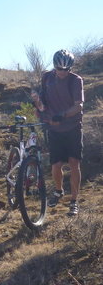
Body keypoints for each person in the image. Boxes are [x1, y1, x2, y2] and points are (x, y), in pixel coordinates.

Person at [31, 49, 84, 216]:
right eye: (60, 69)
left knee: (74, 163)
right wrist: (38, 103)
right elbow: (43, 100)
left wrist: (63, 115)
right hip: (53, 128)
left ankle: (74, 200)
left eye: (66, 69)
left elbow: (79, 105)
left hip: (72, 127)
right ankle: (58, 191)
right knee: (56, 165)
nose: (63, 72)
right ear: (54, 67)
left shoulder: (76, 80)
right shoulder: (47, 77)